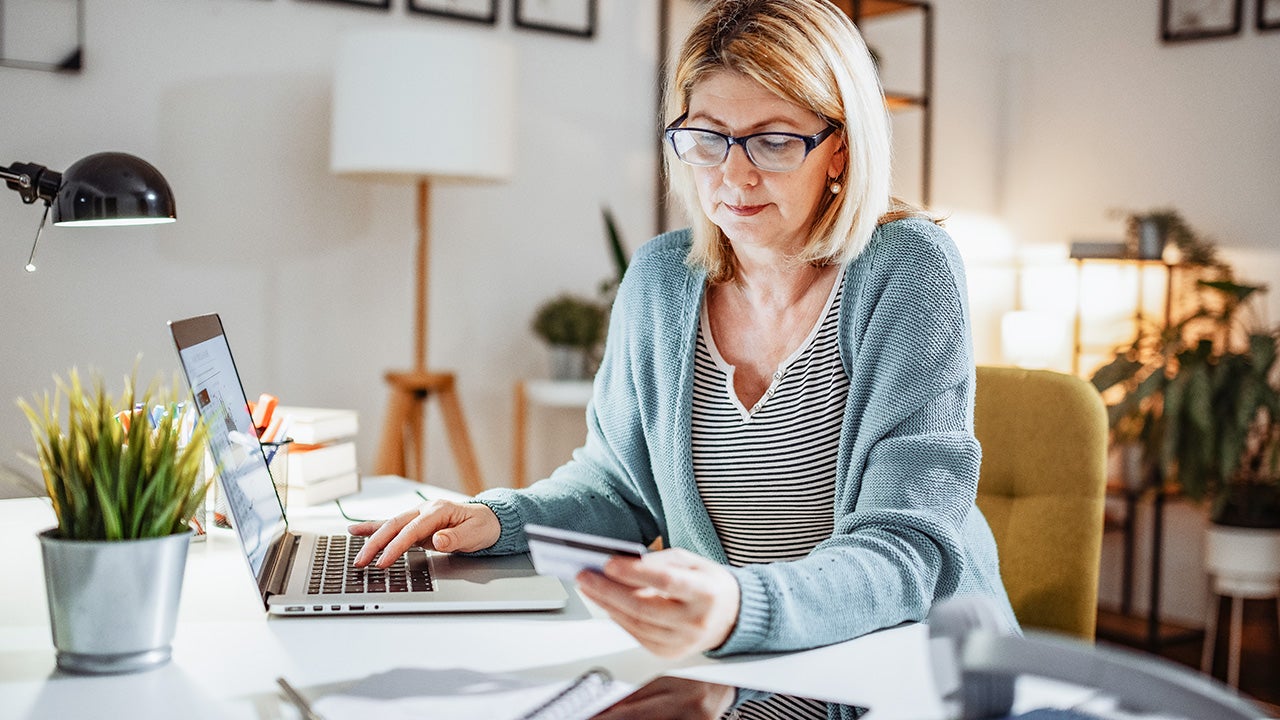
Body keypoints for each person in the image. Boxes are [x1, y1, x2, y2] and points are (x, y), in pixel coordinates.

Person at [352, 0, 1017, 671]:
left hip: (921, 664)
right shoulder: (660, 279)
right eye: (708, 138)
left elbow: (905, 550)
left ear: (839, 146)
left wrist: (739, 606)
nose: (733, 175)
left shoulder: (909, 270)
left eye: (775, 140)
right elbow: (618, 491)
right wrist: (499, 518)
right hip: (754, 661)